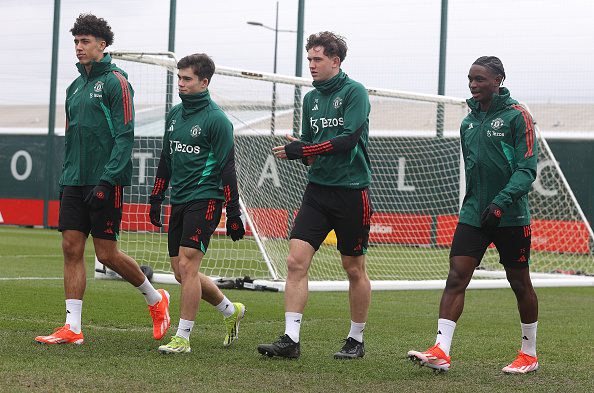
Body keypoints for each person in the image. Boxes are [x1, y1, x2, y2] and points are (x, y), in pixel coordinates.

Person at [35, 14, 170, 345]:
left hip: (105, 181)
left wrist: (107, 181)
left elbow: (125, 137)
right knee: (70, 246)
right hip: (74, 180)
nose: (79, 48)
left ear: (102, 45)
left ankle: (156, 300)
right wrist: (66, 178)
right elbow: (71, 137)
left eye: (85, 42)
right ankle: (73, 328)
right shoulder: (74, 87)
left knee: (107, 255)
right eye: (76, 42)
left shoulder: (116, 83)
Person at [407, 56, 539, 374]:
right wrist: (480, 206)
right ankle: (441, 350)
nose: (473, 84)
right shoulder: (467, 122)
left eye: (480, 79)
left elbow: (527, 170)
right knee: (456, 276)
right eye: (470, 78)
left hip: (509, 216)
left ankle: (529, 354)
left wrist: (500, 203)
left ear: (498, 80)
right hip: (473, 214)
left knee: (519, 282)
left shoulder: (517, 116)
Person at [257, 31, 372, 360]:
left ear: (335, 61)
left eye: (317, 59)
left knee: (353, 268)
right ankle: (290, 339)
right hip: (317, 192)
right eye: (308, 59)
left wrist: (305, 149)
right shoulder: (310, 99)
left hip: (352, 193)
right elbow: (312, 152)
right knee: (295, 262)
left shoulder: (355, 92)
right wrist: (301, 150)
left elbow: (347, 141)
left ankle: (356, 339)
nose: (311, 65)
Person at [148, 53, 246, 354]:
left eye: (187, 79)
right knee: (180, 271)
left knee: (189, 266)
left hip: (206, 198)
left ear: (204, 82)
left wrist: (233, 212)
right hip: (179, 200)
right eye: (179, 78)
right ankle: (231, 311)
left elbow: (227, 168)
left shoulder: (217, 120)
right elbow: (167, 158)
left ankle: (183, 337)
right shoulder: (175, 115)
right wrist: (156, 197)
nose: (181, 83)